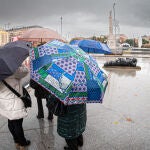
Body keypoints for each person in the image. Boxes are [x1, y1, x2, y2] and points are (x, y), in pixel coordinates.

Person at [0, 64, 31, 150]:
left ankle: (16, 141)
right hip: (14, 101)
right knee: (17, 124)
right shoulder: (11, 70)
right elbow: (25, 71)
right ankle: (22, 143)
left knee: (11, 121)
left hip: (5, 103)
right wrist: (20, 64)